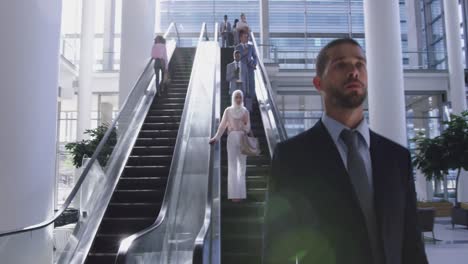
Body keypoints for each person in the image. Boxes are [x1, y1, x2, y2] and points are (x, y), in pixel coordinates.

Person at [265, 38, 428, 264]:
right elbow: (277, 247)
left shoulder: (397, 158)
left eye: (360, 64)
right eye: (341, 65)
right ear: (318, 83)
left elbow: (412, 246)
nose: (354, 71)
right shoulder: (292, 157)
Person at [210, 90, 251, 202]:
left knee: (242, 166)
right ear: (233, 98)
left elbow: (248, 129)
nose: (238, 99)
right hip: (232, 138)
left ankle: (241, 194)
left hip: (243, 137)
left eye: (240, 97)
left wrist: (244, 123)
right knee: (232, 166)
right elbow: (222, 126)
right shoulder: (228, 110)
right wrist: (216, 138)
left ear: (242, 98)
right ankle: (234, 195)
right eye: (236, 97)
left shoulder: (245, 111)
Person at [236, 29, 257, 111]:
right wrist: (244, 54)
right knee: (243, 87)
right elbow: (236, 59)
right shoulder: (237, 47)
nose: (247, 38)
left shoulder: (251, 46)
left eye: (247, 37)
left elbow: (255, 56)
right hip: (242, 70)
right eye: (245, 37)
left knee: (251, 86)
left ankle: (250, 107)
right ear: (240, 38)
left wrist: (254, 63)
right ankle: (242, 107)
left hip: (250, 69)